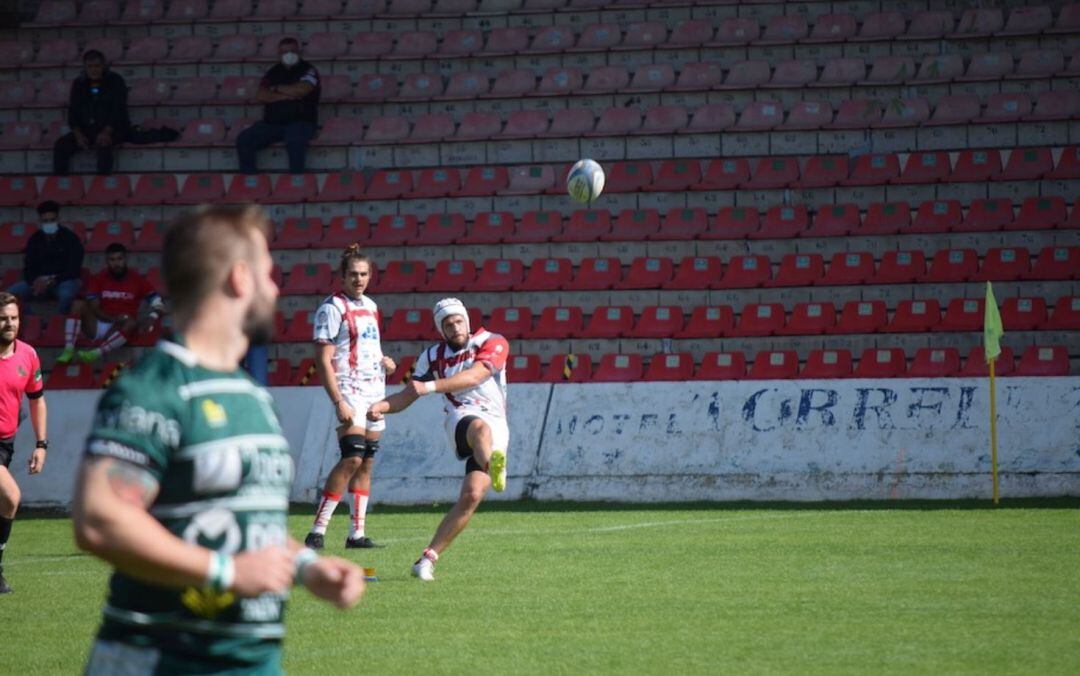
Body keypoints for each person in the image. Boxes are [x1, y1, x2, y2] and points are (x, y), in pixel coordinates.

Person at [73, 204, 363, 673]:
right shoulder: (155, 390)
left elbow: (245, 522)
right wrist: (226, 574)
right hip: (162, 660)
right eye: (269, 274)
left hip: (251, 662)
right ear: (240, 278)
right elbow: (100, 521)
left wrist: (309, 568)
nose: (275, 289)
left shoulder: (249, 395)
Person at [367, 298, 508, 582]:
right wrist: (383, 405)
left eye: (458, 321)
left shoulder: (492, 341)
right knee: (479, 429)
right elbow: (409, 394)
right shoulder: (431, 356)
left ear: (467, 321)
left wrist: (429, 386)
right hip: (462, 417)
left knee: (471, 496)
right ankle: (494, 466)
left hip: (498, 421)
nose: (455, 327)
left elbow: (475, 376)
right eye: (448, 324)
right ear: (441, 330)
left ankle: (427, 559)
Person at [304, 245, 395, 551]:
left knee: (366, 462)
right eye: (353, 274)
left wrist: (386, 362)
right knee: (352, 456)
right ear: (342, 277)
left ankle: (356, 534)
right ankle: (318, 530)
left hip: (374, 391)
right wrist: (338, 400)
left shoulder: (371, 306)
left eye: (364, 274)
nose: (359, 279)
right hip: (349, 390)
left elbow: (369, 347)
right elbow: (323, 359)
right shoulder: (332, 309)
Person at [0, 293, 48, 594]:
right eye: (4, 318)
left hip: (7, 443)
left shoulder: (28, 355)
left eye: (14, 318)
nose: (9, 323)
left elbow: (37, 400)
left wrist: (41, 444)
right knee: (11, 496)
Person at [57, 243, 164, 365]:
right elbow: (94, 307)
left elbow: (158, 302)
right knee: (77, 304)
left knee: (131, 322)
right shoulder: (99, 277)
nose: (116, 263)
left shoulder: (138, 280)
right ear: (107, 261)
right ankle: (68, 350)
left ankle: (95, 353)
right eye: (112, 260)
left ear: (125, 259)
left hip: (121, 327)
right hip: (99, 323)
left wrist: (152, 316)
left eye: (119, 259)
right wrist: (113, 318)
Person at [236, 37, 320, 174]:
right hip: (272, 123)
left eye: (292, 51)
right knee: (244, 139)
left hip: (301, 122)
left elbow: (303, 89)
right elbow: (261, 95)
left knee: (295, 140)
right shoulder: (273, 72)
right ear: (279, 54)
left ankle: (296, 181)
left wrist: (275, 89)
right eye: (285, 52)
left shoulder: (308, 69)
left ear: (299, 52)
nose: (289, 55)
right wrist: (287, 95)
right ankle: (250, 181)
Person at [53, 49, 130, 175]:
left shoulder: (116, 81)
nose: (93, 70)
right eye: (89, 66)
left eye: (97, 66)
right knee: (61, 145)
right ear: (85, 67)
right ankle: (60, 183)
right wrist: (78, 134)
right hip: (88, 129)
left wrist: (106, 131)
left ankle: (102, 184)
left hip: (113, 128)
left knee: (104, 144)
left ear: (103, 66)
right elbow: (73, 112)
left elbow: (119, 110)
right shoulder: (79, 83)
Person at [8, 201, 84, 315]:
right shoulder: (34, 239)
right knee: (9, 295)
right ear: (40, 221)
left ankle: (57, 324)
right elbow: (28, 266)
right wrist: (35, 281)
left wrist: (52, 281)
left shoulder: (70, 238)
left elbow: (73, 269)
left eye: (52, 220)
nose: (49, 223)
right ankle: (35, 322)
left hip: (62, 281)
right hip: (38, 282)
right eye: (45, 221)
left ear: (58, 219)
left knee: (66, 294)